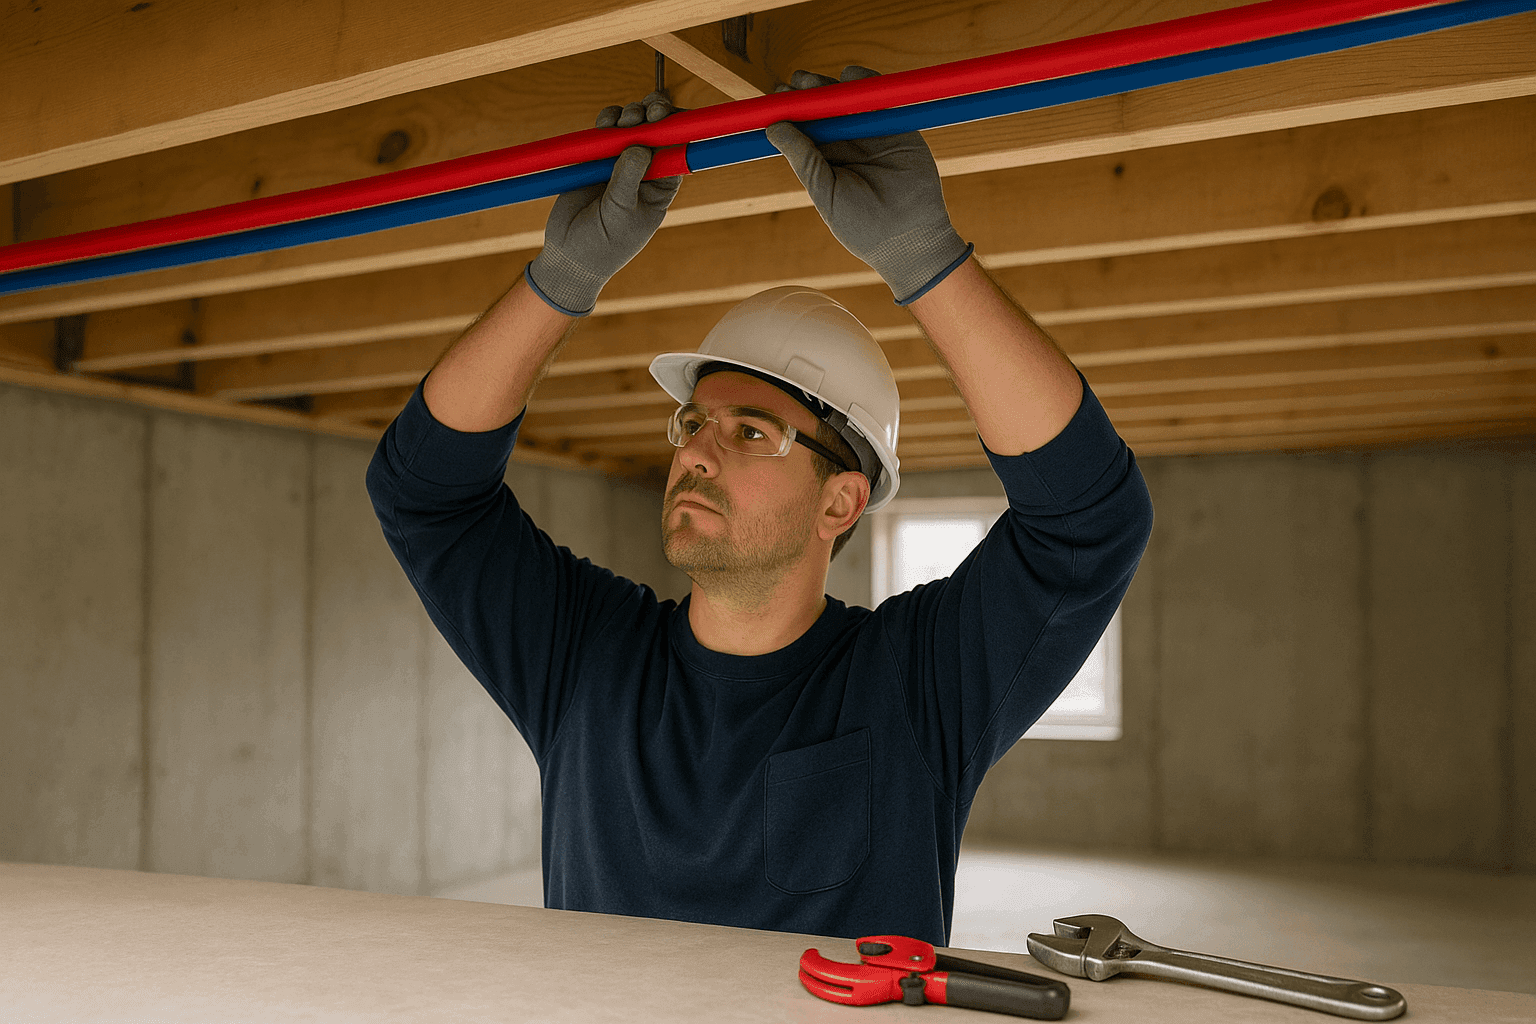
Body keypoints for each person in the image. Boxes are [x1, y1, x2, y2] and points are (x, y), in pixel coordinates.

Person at [367, 67, 1154, 946]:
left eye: (750, 435)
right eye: (695, 423)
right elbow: (423, 491)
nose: (695, 451)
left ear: (841, 502)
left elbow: (1089, 519)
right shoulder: (585, 661)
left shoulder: (913, 686)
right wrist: (561, 276)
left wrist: (927, 258)